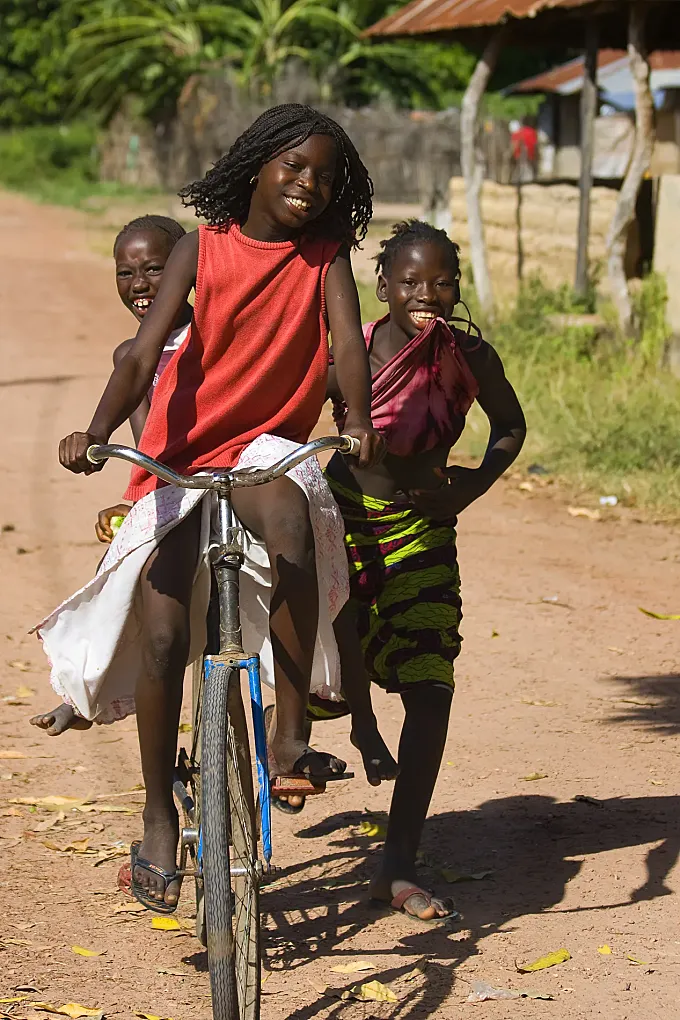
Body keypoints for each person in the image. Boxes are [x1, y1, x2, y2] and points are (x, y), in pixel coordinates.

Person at [36, 104, 383, 913]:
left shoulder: (324, 259)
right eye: (293, 167)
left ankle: (290, 728)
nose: (308, 185)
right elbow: (143, 353)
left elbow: (349, 348)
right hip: (184, 456)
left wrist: (356, 423)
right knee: (161, 632)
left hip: (267, 446)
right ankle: (160, 815)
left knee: (292, 518)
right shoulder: (204, 248)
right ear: (256, 163)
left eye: (325, 176)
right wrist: (93, 432)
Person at [280, 220, 527, 923]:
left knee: (431, 689)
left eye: (442, 282)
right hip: (344, 525)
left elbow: (511, 428)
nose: (427, 294)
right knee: (326, 661)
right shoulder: (348, 352)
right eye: (411, 282)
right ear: (381, 287)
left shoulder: (469, 354)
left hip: (425, 528)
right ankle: (308, 748)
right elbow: (289, 417)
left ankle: (398, 864)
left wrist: (466, 489)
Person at [31, 214, 193, 737]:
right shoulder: (130, 358)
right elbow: (151, 449)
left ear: (188, 272)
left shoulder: (220, 337)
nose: (141, 285)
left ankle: (288, 727)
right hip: (172, 491)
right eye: (126, 273)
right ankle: (87, 688)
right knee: (119, 581)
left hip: (232, 479)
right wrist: (98, 450)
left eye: (155, 270)